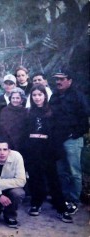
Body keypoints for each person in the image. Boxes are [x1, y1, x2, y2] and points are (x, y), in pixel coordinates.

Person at [25, 85, 73, 223]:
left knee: (53, 179)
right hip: (33, 149)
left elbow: (57, 132)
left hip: (48, 149)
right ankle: (36, 203)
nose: (37, 97)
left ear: (45, 96)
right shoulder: (28, 112)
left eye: (40, 95)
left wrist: (54, 149)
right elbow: (25, 132)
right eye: (34, 95)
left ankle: (61, 208)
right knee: (35, 177)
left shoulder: (52, 112)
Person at [49, 69, 89, 213]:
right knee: (61, 172)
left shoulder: (78, 97)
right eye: (57, 79)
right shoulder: (54, 96)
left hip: (72, 140)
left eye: (62, 79)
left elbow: (85, 119)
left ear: (70, 80)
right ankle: (64, 198)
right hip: (57, 140)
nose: (58, 82)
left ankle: (74, 201)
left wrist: (75, 134)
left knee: (74, 172)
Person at [0, 87, 27, 152]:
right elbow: (0, 128)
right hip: (6, 143)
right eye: (13, 98)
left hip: (21, 144)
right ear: (10, 99)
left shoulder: (25, 112)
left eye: (17, 98)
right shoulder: (4, 110)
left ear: (22, 100)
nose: (15, 100)